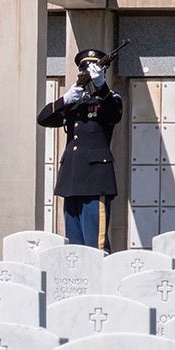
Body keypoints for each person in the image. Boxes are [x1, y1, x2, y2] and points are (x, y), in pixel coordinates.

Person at [38, 49, 122, 253]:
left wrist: (102, 86)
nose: (87, 74)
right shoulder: (74, 103)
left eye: (92, 70)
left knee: (96, 244)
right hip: (72, 179)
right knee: (75, 246)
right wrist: (65, 100)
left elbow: (114, 114)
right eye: (84, 70)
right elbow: (43, 119)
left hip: (95, 179)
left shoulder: (108, 99)